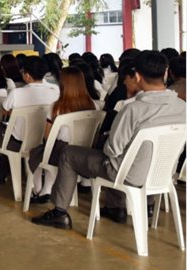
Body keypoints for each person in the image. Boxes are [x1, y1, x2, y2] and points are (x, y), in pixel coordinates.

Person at [32, 50, 185, 230]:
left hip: (129, 175)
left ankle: (59, 212)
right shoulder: (182, 107)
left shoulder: (132, 110)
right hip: (163, 173)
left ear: (136, 76)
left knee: (69, 153)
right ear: (166, 73)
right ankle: (120, 206)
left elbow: (112, 150)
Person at [0, 56, 60, 179]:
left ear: (28, 75)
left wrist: (16, 113)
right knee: (7, 130)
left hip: (18, 143)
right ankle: (2, 172)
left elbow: (3, 112)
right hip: (45, 141)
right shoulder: (55, 91)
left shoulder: (17, 93)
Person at [27, 68, 96, 204]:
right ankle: (46, 188)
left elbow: (48, 137)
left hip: (61, 151)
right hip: (84, 151)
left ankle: (39, 189)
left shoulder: (56, 107)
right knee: (46, 151)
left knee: (37, 151)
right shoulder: (92, 105)